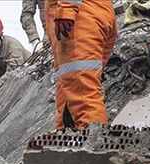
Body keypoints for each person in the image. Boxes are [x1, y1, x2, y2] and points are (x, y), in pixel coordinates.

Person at [46, 0, 117, 130]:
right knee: (70, 87)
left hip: (78, 21)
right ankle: (66, 134)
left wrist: (66, 9)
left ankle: (92, 143)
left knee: (83, 94)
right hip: (95, 13)